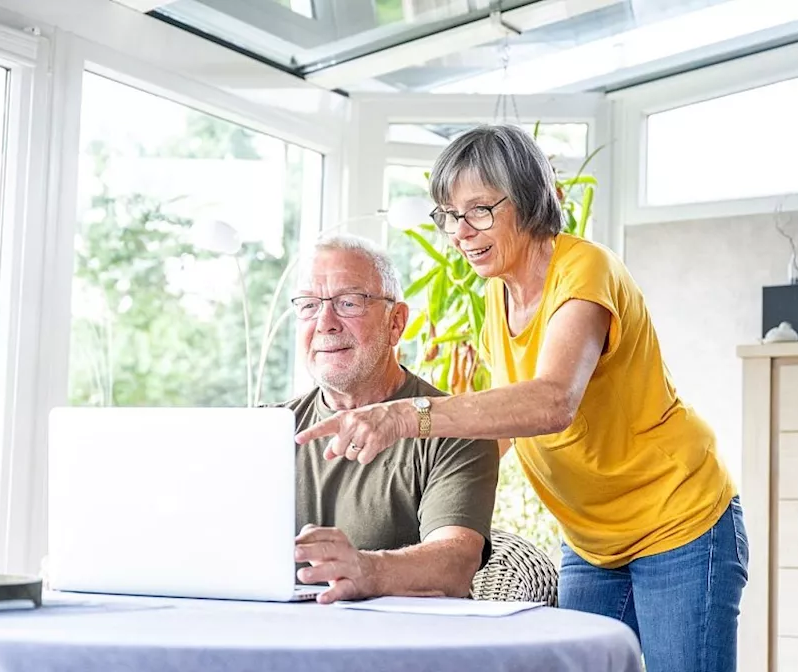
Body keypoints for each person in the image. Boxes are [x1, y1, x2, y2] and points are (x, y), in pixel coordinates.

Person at [295, 125, 746, 672]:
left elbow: (553, 402)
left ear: (530, 198)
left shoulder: (584, 269)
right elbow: (503, 423)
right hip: (590, 538)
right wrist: (434, 506)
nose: (460, 232)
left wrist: (403, 418)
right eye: (449, 215)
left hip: (678, 520)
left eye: (479, 210)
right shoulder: (498, 293)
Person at [281, 234, 499, 606]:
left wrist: (367, 569)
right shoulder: (268, 431)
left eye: (348, 303)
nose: (325, 323)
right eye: (309, 306)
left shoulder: (453, 428)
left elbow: (456, 563)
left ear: (396, 323)